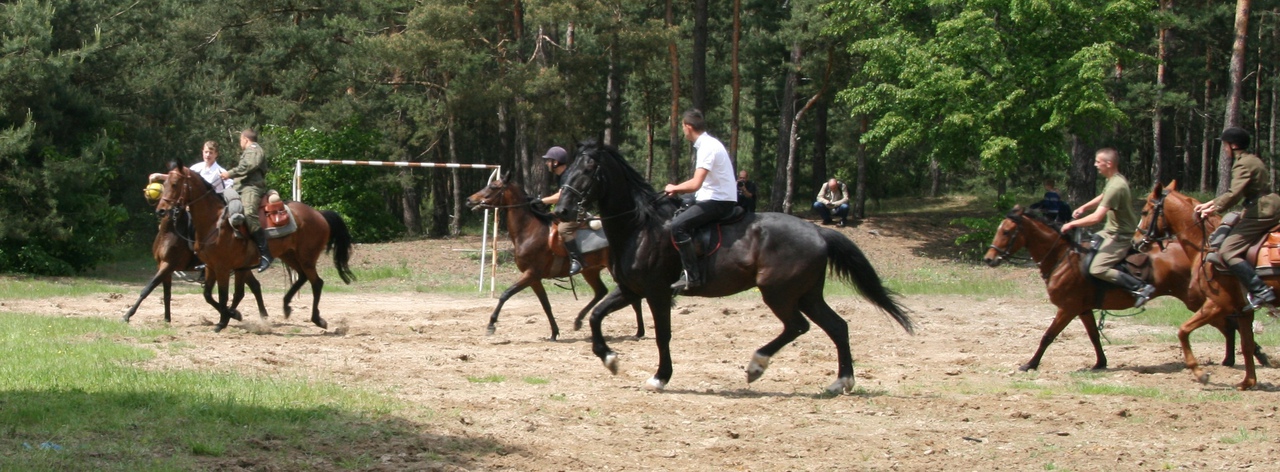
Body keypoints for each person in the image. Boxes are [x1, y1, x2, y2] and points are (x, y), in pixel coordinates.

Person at [1193, 127, 1280, 311]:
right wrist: (1210, 203)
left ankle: (1261, 291)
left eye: (1225, 144)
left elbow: (1235, 194)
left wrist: (1213, 209)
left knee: (1228, 251)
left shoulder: (1242, 164)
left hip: (1262, 210)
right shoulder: (1252, 159)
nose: (1224, 149)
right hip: (1266, 204)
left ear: (1233, 145)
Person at [1061, 148, 1156, 307]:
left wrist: (1071, 224)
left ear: (1109, 163)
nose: (1095, 165)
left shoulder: (1116, 186)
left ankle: (1140, 287)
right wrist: (1084, 207)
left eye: (1098, 162)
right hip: (1108, 231)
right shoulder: (1113, 180)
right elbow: (1103, 197)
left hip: (1121, 236)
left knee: (1097, 269)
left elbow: (1097, 217)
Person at [663, 109, 737, 291]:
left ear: (688, 127)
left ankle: (692, 276)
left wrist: (675, 187)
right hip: (710, 196)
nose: (683, 130)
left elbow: (696, 183)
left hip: (719, 201)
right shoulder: (707, 144)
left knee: (677, 226)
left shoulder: (707, 147)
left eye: (682, 127)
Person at [149, 141, 242, 282]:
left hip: (209, 213)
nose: (208, 155)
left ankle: (202, 261)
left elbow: (227, 190)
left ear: (216, 154)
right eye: (206, 152)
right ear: (202, 152)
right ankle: (172, 254)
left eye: (211, 152)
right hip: (189, 209)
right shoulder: (196, 168)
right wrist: (160, 176)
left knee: (196, 229)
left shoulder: (220, 172)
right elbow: (177, 178)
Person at [220, 129, 273, 272]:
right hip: (240, 188)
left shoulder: (254, 149)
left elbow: (248, 166)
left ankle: (265, 254)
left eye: (240, 140)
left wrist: (229, 173)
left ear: (245, 139)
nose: (240, 143)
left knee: (249, 214)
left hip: (251, 188)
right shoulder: (249, 151)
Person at [537, 146, 585, 276]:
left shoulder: (568, 176)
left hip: (577, 212)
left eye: (548, 161)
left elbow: (560, 197)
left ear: (555, 162)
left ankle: (577, 260)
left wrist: (542, 201)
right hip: (568, 211)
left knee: (564, 229)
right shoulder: (561, 176)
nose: (547, 163)